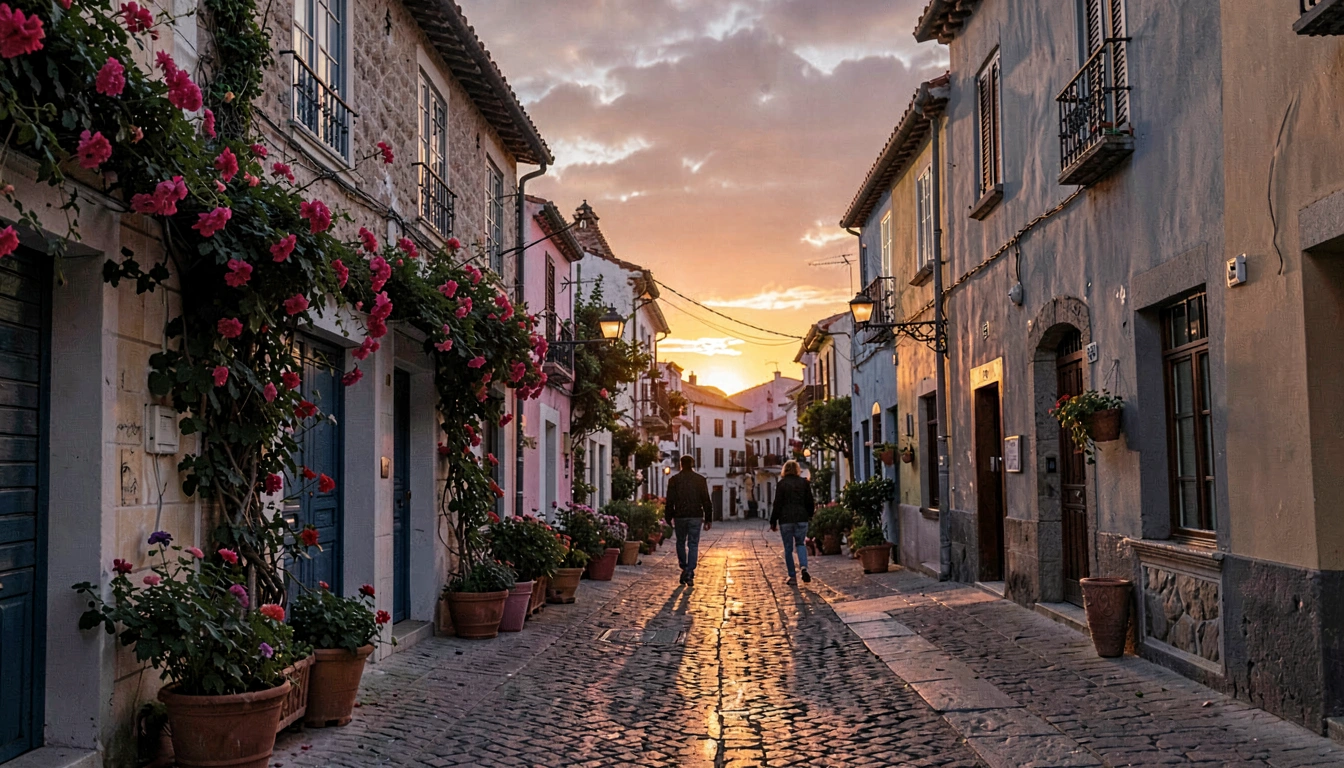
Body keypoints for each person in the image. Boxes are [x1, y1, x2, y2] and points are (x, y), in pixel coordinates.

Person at [664, 454, 713, 586]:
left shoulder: (674, 480)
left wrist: (668, 517)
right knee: (693, 544)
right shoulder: (700, 480)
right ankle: (690, 571)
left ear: (681, 464)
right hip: (696, 516)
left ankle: (684, 568)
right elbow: (706, 500)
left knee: (680, 542)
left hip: (680, 516)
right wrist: (708, 519)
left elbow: (670, 501)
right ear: (692, 464)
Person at [770, 459, 815, 585]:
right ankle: (804, 567)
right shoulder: (804, 483)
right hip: (801, 518)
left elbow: (777, 504)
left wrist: (773, 521)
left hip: (786, 520)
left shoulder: (781, 484)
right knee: (800, 544)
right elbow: (810, 501)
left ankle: (792, 577)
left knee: (788, 548)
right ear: (797, 470)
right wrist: (810, 515)